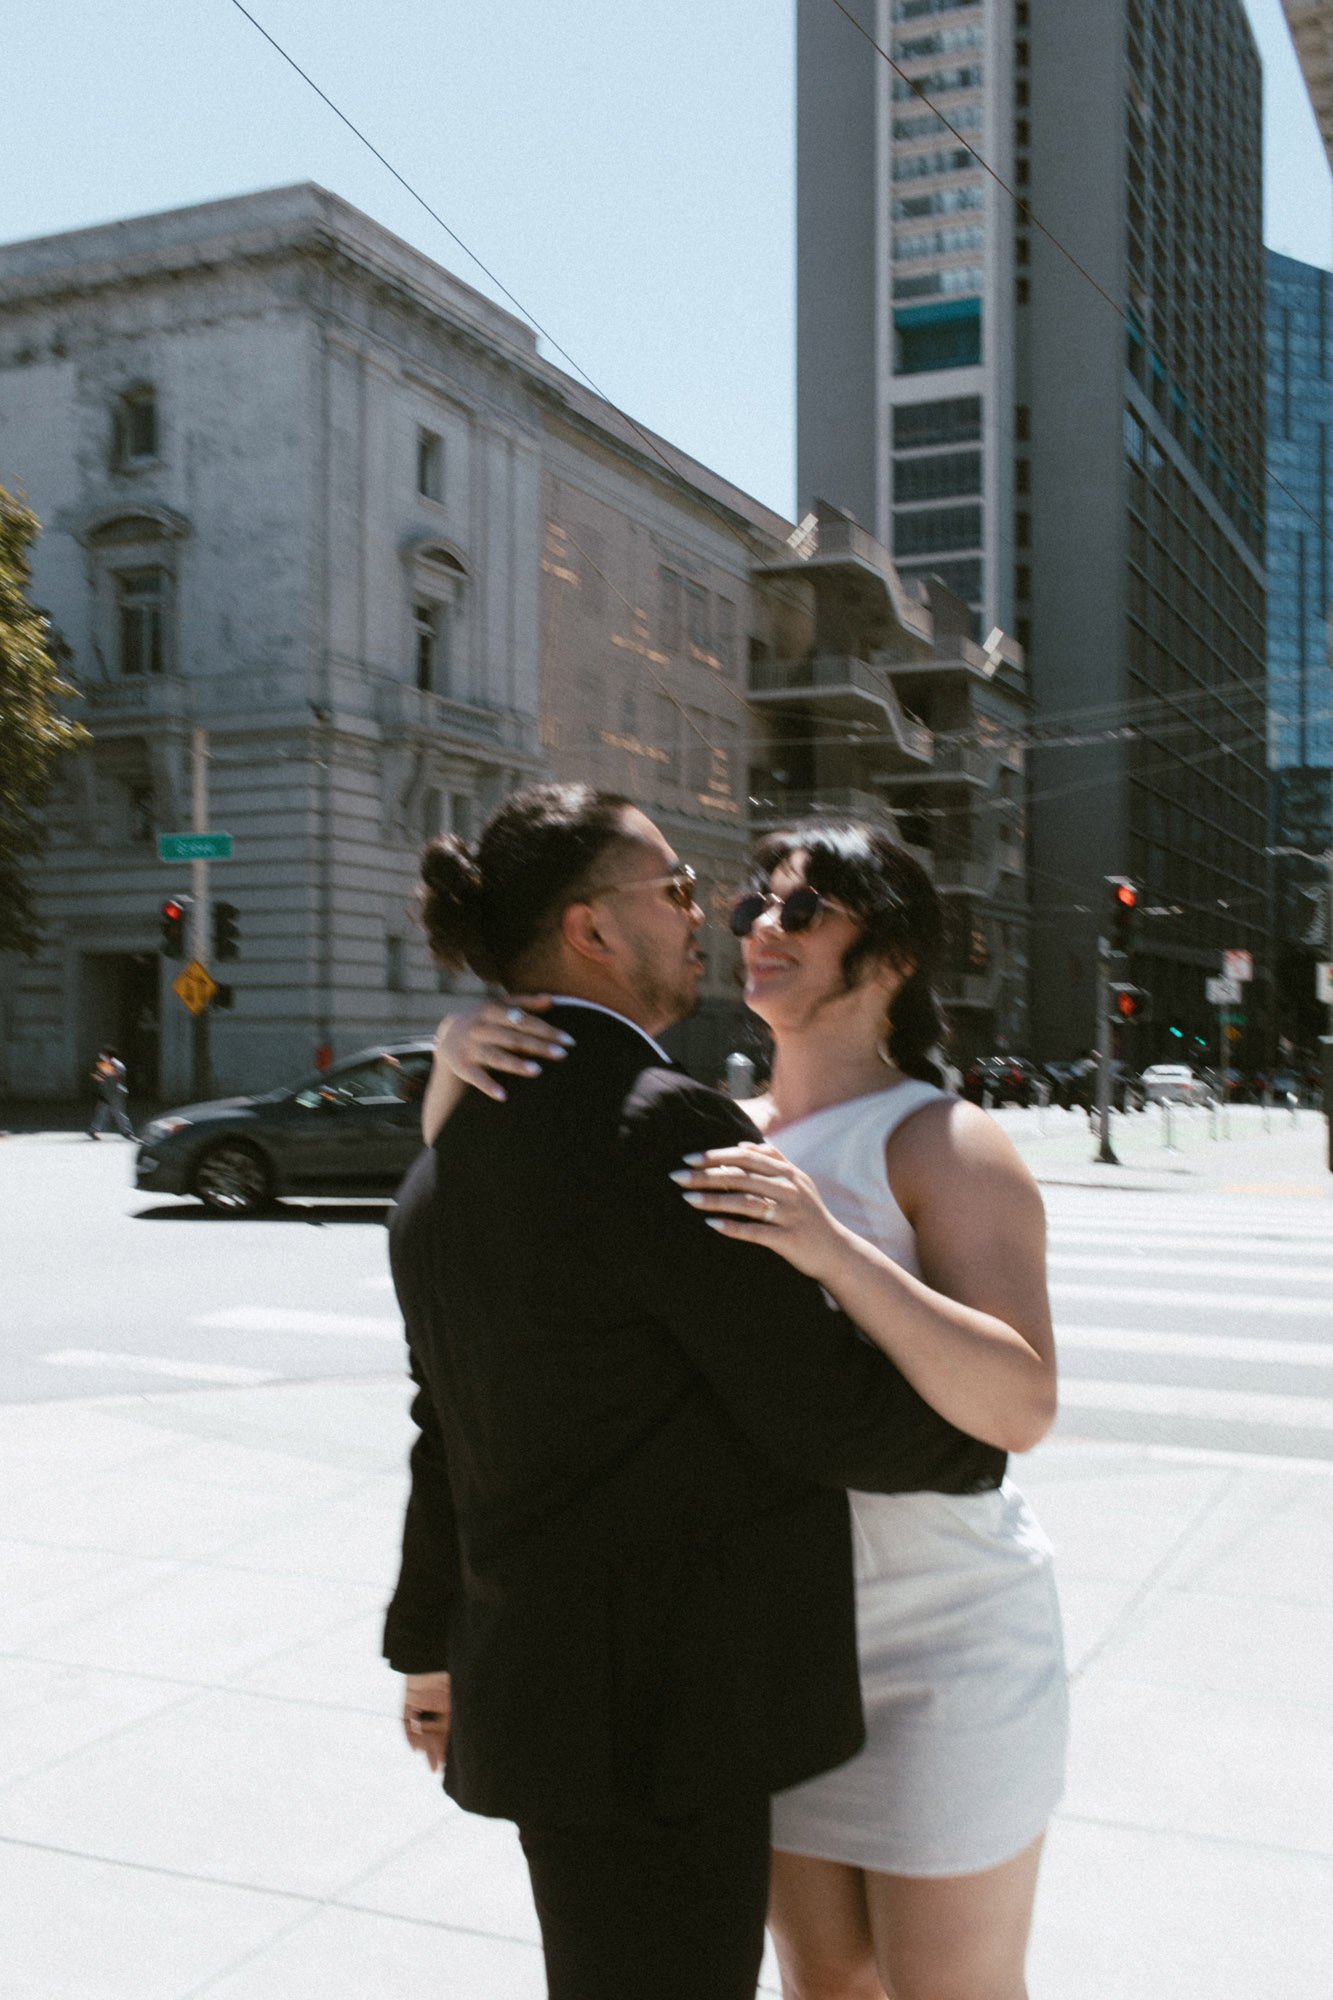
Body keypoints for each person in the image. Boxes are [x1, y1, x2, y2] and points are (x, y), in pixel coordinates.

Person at [384, 784, 1004, 2000]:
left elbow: (441, 1428)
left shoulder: (447, 1150)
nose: (699, 915)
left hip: (543, 1696)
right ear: (590, 930)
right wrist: (981, 1437)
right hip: (664, 1718)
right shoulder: (655, 1121)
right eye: (672, 889)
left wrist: (425, 1641)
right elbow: (811, 1400)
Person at [86, 1045, 135, 1140]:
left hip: (115, 1092)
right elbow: (104, 1077)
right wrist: (98, 1078)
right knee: (103, 1111)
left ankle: (126, 1132)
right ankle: (93, 1130)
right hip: (107, 1092)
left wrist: (121, 1087)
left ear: (108, 1054)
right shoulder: (106, 1064)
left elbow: (118, 1077)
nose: (101, 1055)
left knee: (117, 1112)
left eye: (104, 1053)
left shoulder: (117, 1065)